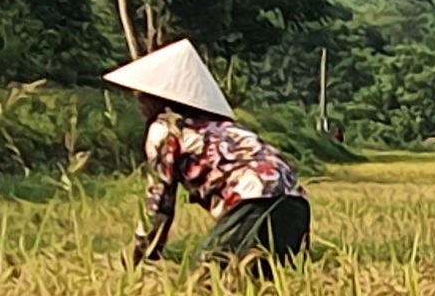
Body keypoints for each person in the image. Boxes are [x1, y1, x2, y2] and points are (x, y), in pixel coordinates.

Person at [112, 40, 308, 276]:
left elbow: (160, 203)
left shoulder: (165, 129)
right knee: (262, 279)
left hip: (254, 198)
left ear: (159, 99)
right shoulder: (224, 127)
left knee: (207, 278)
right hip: (296, 203)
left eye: (143, 96)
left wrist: (138, 255)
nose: (139, 103)